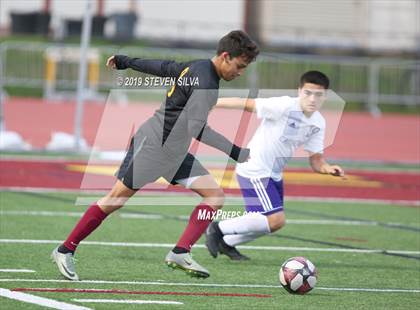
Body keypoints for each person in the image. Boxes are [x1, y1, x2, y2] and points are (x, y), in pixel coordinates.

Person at [51, 30, 259, 280]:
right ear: (226, 56)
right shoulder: (205, 81)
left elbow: (163, 67)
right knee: (113, 200)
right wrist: (236, 151)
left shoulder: (199, 67)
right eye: (239, 66)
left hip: (175, 151)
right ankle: (65, 250)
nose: (239, 73)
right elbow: (197, 128)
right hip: (153, 145)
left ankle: (180, 252)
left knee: (214, 197)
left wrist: (126, 61)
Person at [205, 71, 345, 260]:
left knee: (269, 222)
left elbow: (316, 160)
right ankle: (217, 228)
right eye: (308, 93)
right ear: (299, 91)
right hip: (254, 169)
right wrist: (212, 103)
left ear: (325, 95)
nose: (312, 99)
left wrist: (327, 168)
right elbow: (246, 104)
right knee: (275, 219)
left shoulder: (318, 123)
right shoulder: (285, 106)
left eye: (318, 94)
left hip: (274, 175)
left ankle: (228, 243)